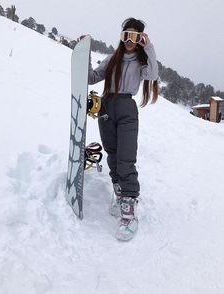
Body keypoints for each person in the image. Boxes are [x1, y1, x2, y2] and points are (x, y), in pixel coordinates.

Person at [86, 17, 158, 240]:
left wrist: (150, 49)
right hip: (106, 107)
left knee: (126, 158)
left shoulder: (141, 62)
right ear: (121, 37)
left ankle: (128, 213)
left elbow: (153, 76)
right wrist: (83, 56)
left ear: (140, 39)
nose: (129, 40)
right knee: (113, 155)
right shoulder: (112, 59)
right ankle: (119, 196)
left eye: (134, 36)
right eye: (126, 35)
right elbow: (91, 78)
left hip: (127, 108)